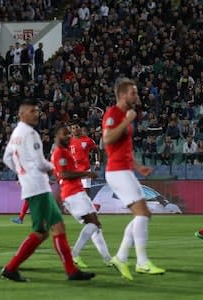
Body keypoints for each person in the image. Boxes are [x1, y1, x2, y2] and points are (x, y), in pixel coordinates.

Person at [2, 99, 95, 282]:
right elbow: (39, 163)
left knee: (50, 229)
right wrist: (53, 168)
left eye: (37, 111)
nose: (37, 114)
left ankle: (70, 270)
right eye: (32, 111)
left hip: (32, 185)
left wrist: (21, 172)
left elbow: (7, 158)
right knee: (44, 230)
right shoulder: (31, 133)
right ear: (22, 114)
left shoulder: (16, 133)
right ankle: (12, 268)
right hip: (38, 186)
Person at [102, 78, 165, 281]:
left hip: (125, 169)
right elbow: (107, 139)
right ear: (122, 95)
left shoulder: (125, 115)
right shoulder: (114, 113)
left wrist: (139, 166)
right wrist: (127, 121)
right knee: (143, 214)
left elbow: (123, 148)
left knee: (143, 214)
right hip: (117, 171)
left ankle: (121, 256)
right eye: (133, 93)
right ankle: (142, 262)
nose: (136, 96)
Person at [51, 124, 112, 269]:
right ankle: (75, 253)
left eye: (68, 133)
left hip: (76, 189)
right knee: (93, 223)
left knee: (95, 225)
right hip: (72, 192)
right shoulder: (59, 152)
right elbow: (64, 174)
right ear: (57, 137)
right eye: (64, 133)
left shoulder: (70, 149)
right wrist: (86, 173)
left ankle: (108, 258)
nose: (68, 136)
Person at [69, 122, 100, 196]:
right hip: (73, 171)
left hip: (85, 170)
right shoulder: (68, 142)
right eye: (73, 128)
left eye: (77, 127)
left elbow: (96, 151)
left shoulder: (88, 140)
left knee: (86, 193)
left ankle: (88, 207)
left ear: (80, 129)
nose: (75, 129)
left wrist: (97, 162)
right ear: (71, 131)